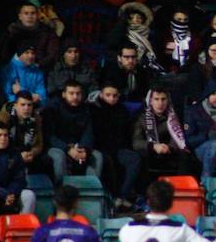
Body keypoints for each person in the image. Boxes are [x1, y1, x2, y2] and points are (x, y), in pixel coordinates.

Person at [89, 83, 140, 211]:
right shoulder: (93, 110)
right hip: (100, 149)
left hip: (119, 149)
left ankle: (121, 197)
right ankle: (109, 200)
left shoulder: (122, 110)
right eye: (108, 95)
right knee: (107, 162)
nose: (111, 98)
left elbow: (126, 133)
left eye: (115, 96)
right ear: (101, 95)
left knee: (135, 159)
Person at [43, 80, 103, 181]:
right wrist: (68, 149)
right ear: (64, 94)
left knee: (97, 156)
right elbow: (49, 136)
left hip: (78, 146)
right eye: (71, 93)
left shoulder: (86, 110)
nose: (75, 97)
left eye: (78, 94)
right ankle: (64, 191)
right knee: (59, 157)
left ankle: (91, 191)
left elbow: (88, 133)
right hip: (57, 147)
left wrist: (84, 149)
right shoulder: (53, 109)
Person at [133, 87, 194, 178]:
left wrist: (169, 147)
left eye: (163, 99)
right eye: (156, 99)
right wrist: (153, 146)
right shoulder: (140, 117)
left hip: (169, 151)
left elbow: (179, 138)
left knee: (186, 156)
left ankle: (182, 187)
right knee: (139, 158)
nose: (160, 103)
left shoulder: (174, 115)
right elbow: (136, 142)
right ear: (150, 101)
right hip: (150, 151)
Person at [0, 91, 46, 174]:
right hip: (5, 155)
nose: (26, 108)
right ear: (15, 105)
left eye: (29, 105)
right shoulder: (2, 118)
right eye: (23, 105)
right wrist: (18, 156)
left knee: (46, 161)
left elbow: (39, 144)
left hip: (27, 154)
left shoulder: (36, 119)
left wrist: (32, 153)